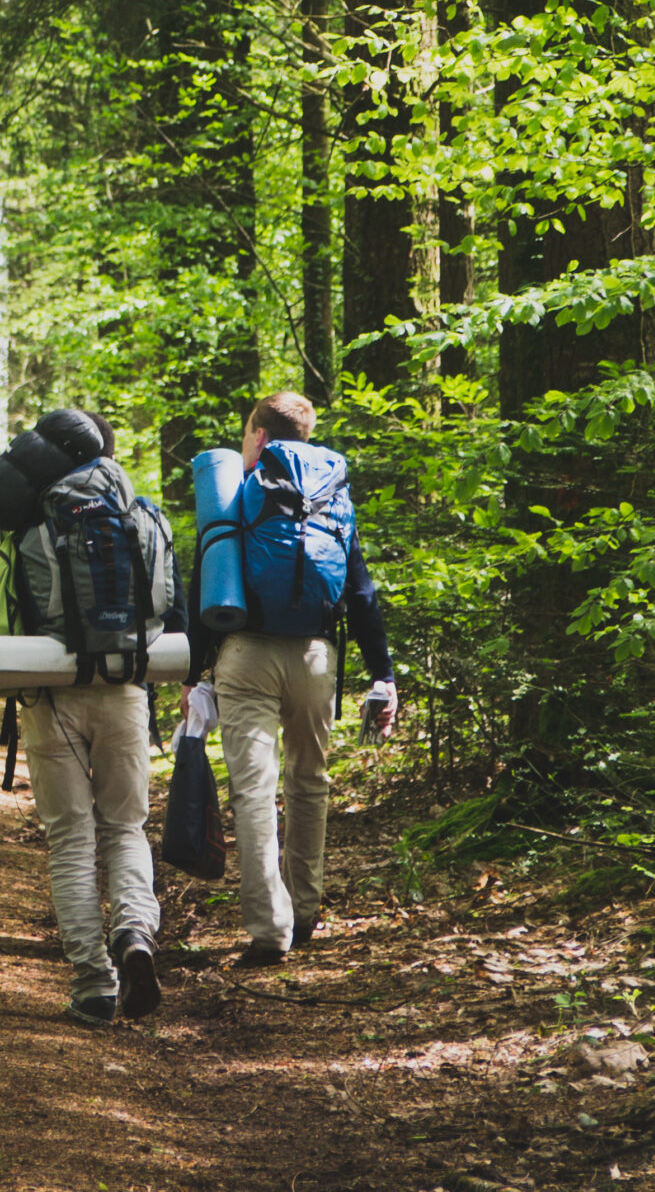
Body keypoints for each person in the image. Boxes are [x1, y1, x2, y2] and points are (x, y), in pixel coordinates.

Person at [0, 410, 176, 1026]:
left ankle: (94, 984)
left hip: (48, 694)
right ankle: (134, 935)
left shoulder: (25, 521)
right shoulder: (144, 513)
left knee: (71, 839)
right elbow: (171, 607)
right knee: (125, 828)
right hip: (127, 690)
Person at [216, 390, 399, 966]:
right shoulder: (332, 496)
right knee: (309, 780)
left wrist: (196, 671)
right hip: (317, 655)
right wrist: (383, 675)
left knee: (253, 788)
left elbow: (212, 578)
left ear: (260, 436)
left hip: (247, 652)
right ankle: (305, 910)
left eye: (248, 434)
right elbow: (362, 592)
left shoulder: (240, 491)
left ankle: (268, 929)